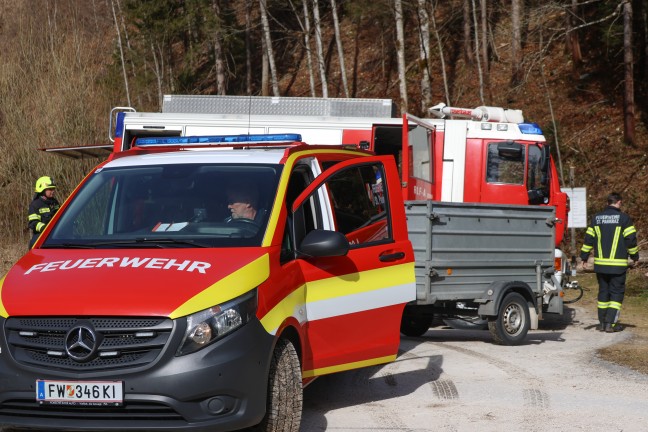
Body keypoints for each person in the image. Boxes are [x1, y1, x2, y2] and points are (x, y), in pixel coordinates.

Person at [578, 192, 639, 333]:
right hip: (617, 266)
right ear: (619, 202)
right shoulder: (624, 219)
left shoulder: (596, 218)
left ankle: (602, 323)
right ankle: (610, 324)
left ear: (607, 203)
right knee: (616, 294)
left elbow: (588, 240)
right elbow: (631, 240)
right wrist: (635, 256)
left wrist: (584, 257)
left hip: (600, 266)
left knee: (603, 294)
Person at [28, 176, 60, 248]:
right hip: (41, 237)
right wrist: (45, 228)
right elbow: (33, 223)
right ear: (42, 190)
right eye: (50, 189)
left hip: (55, 236)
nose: (53, 191)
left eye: (53, 189)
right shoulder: (35, 205)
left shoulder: (55, 203)